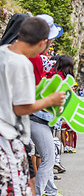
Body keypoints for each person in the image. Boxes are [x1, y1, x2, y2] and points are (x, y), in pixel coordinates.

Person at [0, 17, 65, 196]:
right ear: (42, 42)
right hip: (8, 139)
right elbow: (21, 108)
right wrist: (50, 101)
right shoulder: (23, 63)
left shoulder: (3, 51)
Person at [29, 14, 65, 196]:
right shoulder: (34, 58)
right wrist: (51, 101)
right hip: (33, 116)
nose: (51, 43)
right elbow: (33, 93)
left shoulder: (33, 56)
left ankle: (50, 191)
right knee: (48, 158)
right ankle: (40, 192)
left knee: (42, 157)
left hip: (27, 116)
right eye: (51, 39)